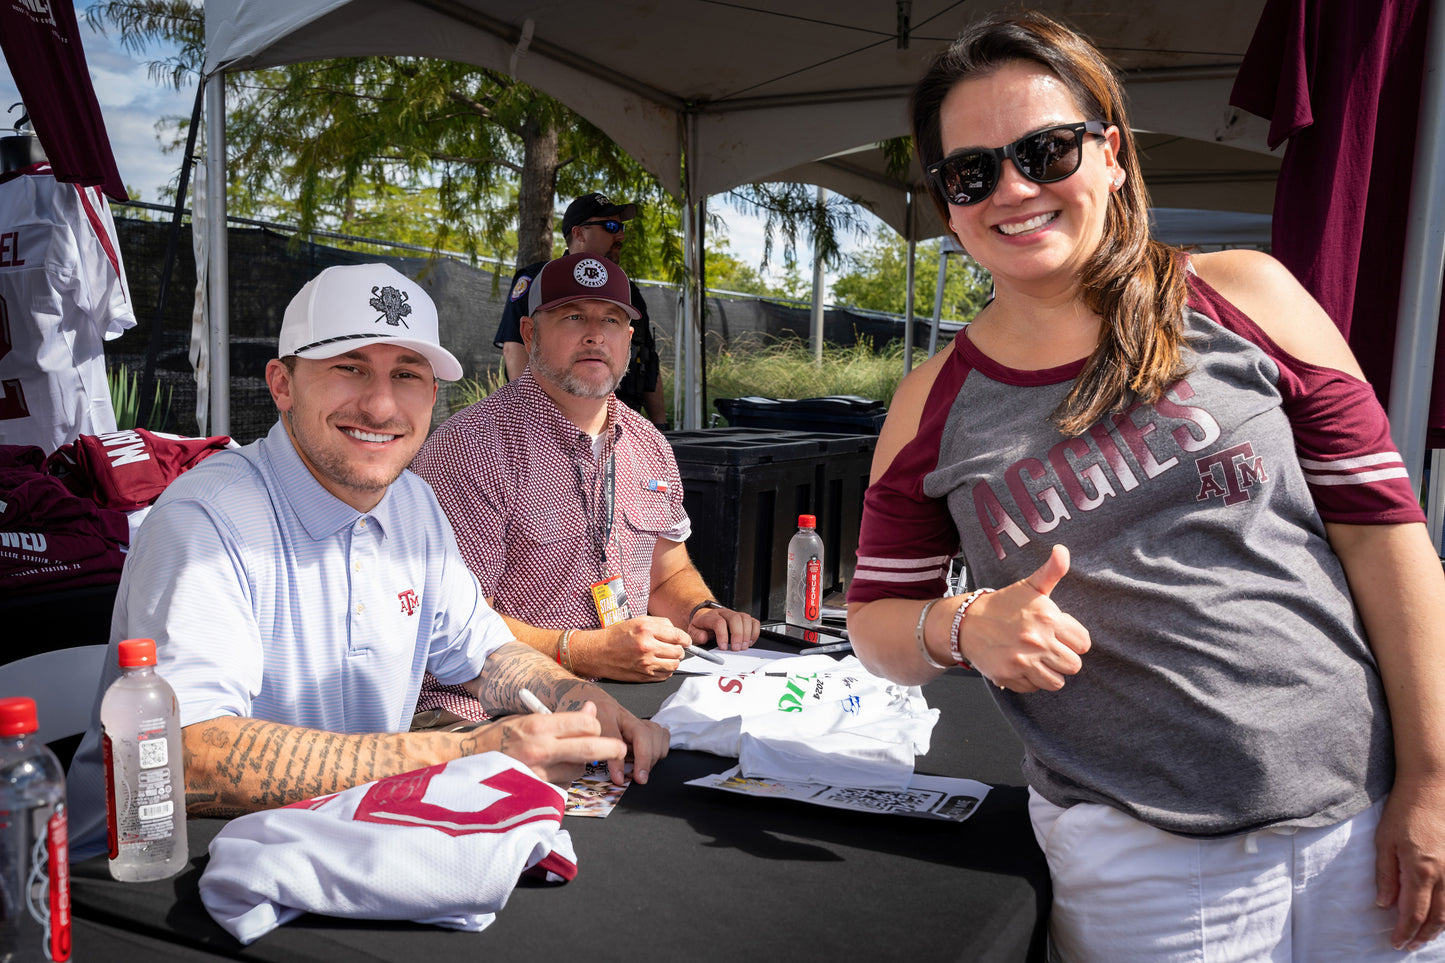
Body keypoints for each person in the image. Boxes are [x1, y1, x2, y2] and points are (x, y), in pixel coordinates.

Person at [847, 11, 1445, 961]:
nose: (1013, 188)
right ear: (947, 201)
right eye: (972, 172)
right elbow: (877, 618)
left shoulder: (1246, 295)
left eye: (1045, 151)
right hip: (1141, 862)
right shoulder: (929, 403)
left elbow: (1384, 534)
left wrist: (1432, 781)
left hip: (1363, 822)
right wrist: (962, 627)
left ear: (1111, 154)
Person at [65, 262, 669, 860]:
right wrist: (474, 752)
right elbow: (186, 752)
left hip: (330, 845)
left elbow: (484, 650)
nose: (381, 406)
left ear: (433, 396)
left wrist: (580, 703)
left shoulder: (412, 502)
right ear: (281, 384)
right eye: (349, 368)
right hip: (150, 881)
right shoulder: (208, 520)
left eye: (407, 375)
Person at [413, 252, 758, 716]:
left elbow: (669, 573)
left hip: (632, 694)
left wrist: (701, 611)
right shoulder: (472, 447)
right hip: (501, 715)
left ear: (629, 341)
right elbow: (454, 625)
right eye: (573, 316)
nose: (595, 334)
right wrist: (588, 651)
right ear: (530, 334)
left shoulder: (649, 444)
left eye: (612, 320)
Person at [494, 192, 667, 427]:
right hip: (551, 423)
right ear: (578, 233)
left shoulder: (628, 291)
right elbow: (515, 348)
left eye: (622, 227)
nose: (620, 235)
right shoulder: (539, 280)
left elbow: (647, 359)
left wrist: (661, 425)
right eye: (611, 226)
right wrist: (533, 421)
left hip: (620, 426)